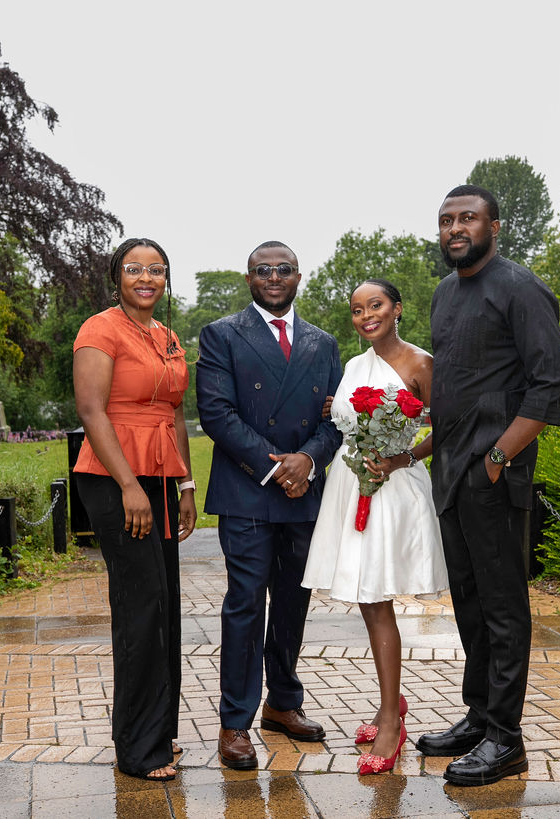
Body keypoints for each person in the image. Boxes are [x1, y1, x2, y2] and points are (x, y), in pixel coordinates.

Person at [418, 185, 560, 786]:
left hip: (495, 475)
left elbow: (550, 385)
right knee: (470, 602)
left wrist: (499, 457)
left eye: (468, 218)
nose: (455, 228)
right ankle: (480, 716)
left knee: (504, 608)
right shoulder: (444, 293)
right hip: (451, 473)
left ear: (495, 226)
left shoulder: (520, 287)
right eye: (446, 220)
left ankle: (506, 738)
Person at [196, 241, 342, 770]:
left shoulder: (323, 342)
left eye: (283, 269)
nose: (274, 277)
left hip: (304, 493)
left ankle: (282, 703)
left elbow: (338, 418)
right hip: (247, 491)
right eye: (263, 270)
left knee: (292, 603)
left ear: (299, 276)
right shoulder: (221, 334)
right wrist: (278, 467)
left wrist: (309, 459)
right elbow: (217, 413)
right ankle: (235, 722)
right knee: (245, 605)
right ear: (249, 278)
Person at [302, 279, 448, 776]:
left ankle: (390, 720)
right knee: (369, 600)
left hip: (393, 490)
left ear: (397, 308)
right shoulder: (352, 366)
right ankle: (392, 702)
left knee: (378, 597)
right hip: (350, 486)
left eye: (376, 305)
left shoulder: (421, 364)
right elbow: (343, 421)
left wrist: (401, 457)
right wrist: (337, 409)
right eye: (357, 309)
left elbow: (447, 428)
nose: (366, 315)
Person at [73, 237, 197, 782]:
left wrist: (186, 485)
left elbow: (174, 414)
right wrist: (128, 484)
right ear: (116, 277)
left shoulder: (167, 336)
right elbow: (91, 411)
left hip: (161, 476)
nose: (146, 278)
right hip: (114, 476)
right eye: (134, 269)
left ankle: (160, 731)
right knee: (140, 605)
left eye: (156, 270)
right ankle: (138, 748)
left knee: (164, 605)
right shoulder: (99, 330)